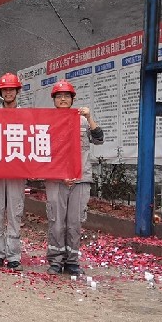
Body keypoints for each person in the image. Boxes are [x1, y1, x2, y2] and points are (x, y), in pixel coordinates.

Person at [45, 80, 104, 275]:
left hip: (80, 179)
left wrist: (90, 117)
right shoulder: (47, 121)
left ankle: (72, 261)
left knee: (74, 222)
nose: (63, 99)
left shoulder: (83, 121)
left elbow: (99, 139)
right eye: (59, 96)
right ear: (54, 100)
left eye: (66, 96)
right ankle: (55, 261)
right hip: (56, 179)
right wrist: (59, 174)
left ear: (72, 99)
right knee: (56, 221)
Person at [0, 72, 26, 270]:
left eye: (11, 89)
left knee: (14, 213)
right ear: (1, 92)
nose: (8, 93)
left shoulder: (26, 115)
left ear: (17, 91)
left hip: (17, 170)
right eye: (5, 90)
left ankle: (13, 256)